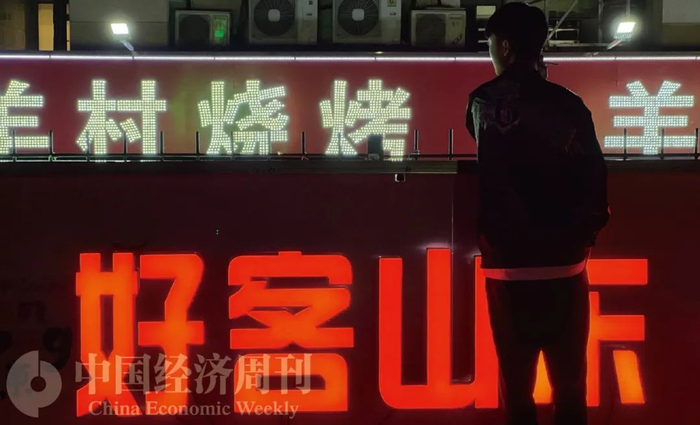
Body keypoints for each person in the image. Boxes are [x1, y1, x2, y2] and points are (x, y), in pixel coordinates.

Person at [465, 3, 609, 425]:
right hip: (565, 266)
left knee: (517, 390)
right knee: (570, 386)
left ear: (505, 47)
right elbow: (595, 177)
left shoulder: (482, 100)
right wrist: (584, 236)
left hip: (506, 267)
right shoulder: (569, 104)